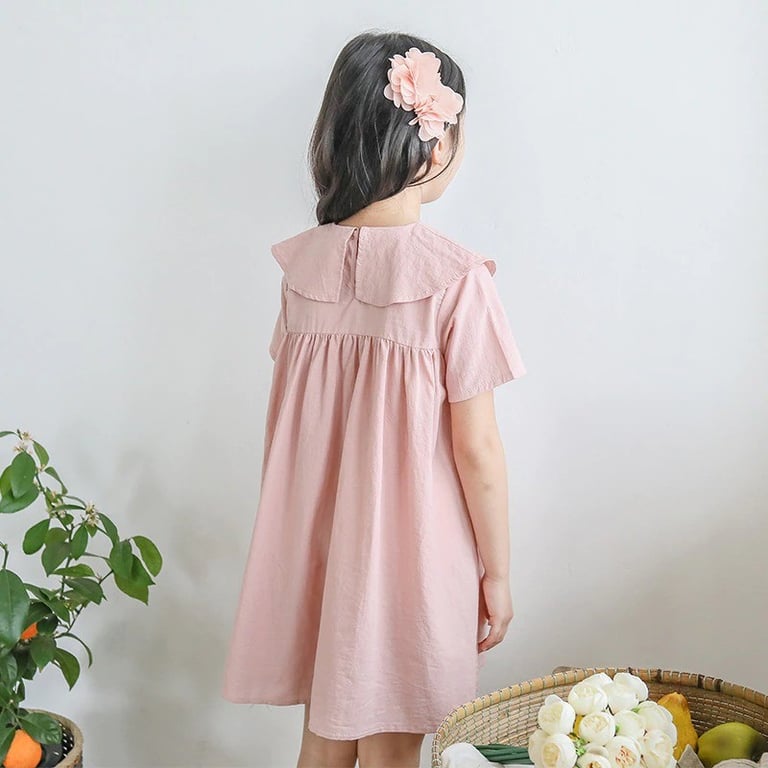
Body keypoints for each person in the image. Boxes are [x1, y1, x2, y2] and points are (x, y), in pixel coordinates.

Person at [221, 29, 528, 768]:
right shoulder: (456, 280)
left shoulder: (302, 270)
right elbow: (478, 449)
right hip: (411, 557)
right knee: (393, 747)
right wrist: (497, 573)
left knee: (324, 742)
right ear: (432, 142)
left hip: (320, 550)